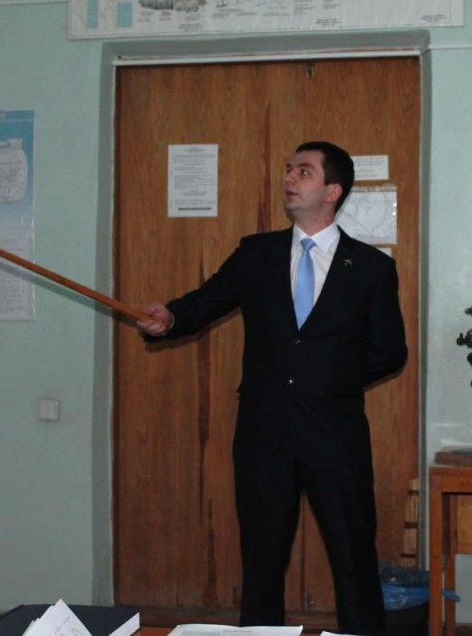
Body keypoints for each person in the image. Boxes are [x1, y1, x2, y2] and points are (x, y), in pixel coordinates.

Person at [137, 141, 407, 634]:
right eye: (288, 169)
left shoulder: (371, 267)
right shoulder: (256, 254)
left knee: (353, 558)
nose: (289, 178)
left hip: (335, 432)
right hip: (264, 433)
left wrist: (332, 380)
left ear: (332, 190)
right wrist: (170, 317)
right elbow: (205, 302)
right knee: (261, 561)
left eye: (303, 171)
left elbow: (390, 351)